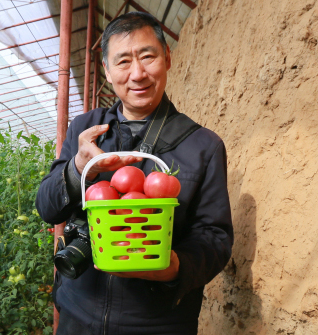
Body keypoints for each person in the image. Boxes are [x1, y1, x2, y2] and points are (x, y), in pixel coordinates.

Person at [35, 12, 233, 335]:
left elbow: (216, 238)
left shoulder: (204, 147)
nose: (137, 74)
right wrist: (76, 169)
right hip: (77, 316)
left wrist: (175, 268)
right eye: (123, 61)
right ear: (107, 72)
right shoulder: (85, 130)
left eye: (148, 56)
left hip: (157, 324)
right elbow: (46, 207)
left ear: (167, 58)